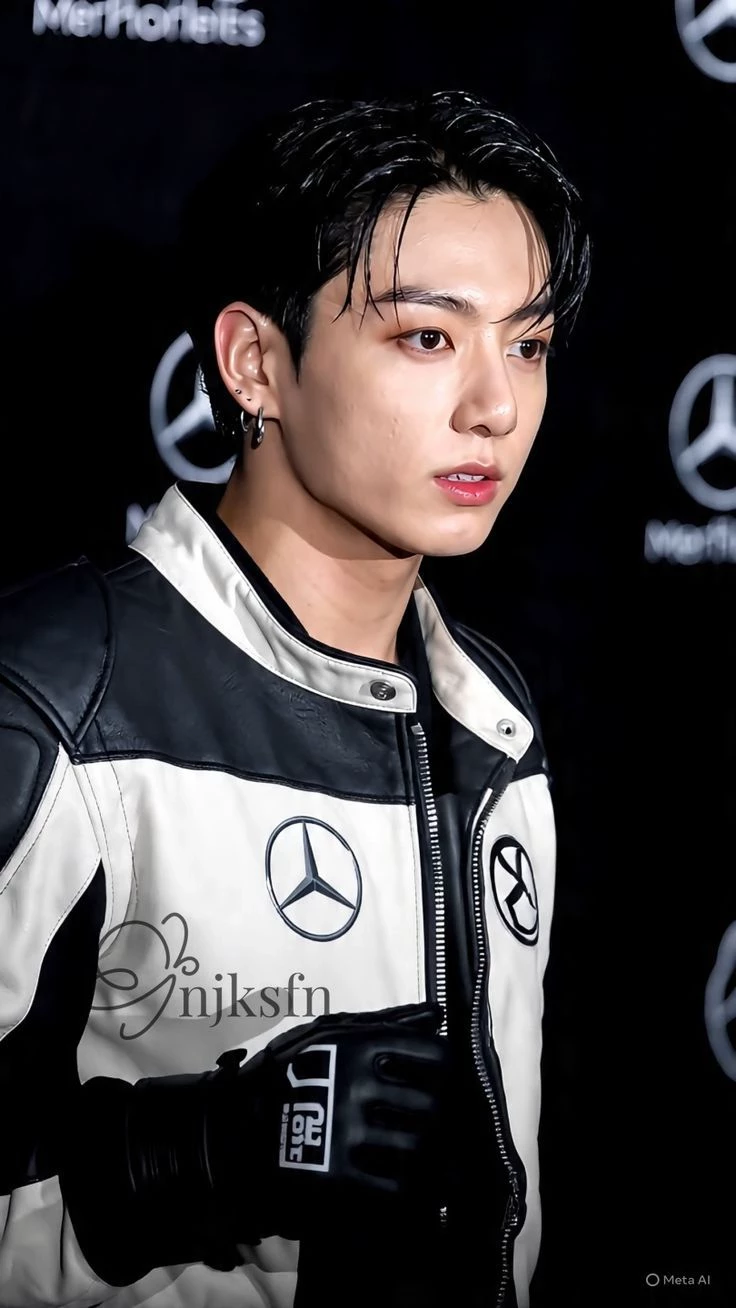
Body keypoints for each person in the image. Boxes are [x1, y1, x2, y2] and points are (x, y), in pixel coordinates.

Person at [0, 89, 590, 1308]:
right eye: (427, 338)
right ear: (255, 362)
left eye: (527, 345)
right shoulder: (55, 698)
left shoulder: (494, 720)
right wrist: (199, 1155)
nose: (495, 405)